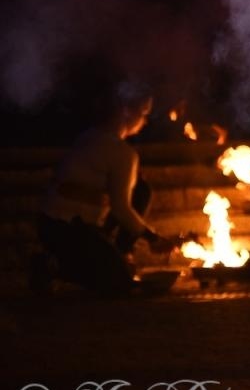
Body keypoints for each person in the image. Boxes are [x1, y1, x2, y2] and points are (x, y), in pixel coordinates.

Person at [35, 78, 176, 296]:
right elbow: (120, 208)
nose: (145, 121)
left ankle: (119, 253)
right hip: (70, 229)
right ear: (126, 113)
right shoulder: (121, 152)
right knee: (120, 284)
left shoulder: (88, 137)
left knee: (141, 189)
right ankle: (55, 267)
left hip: (48, 225)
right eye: (143, 114)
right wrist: (153, 239)